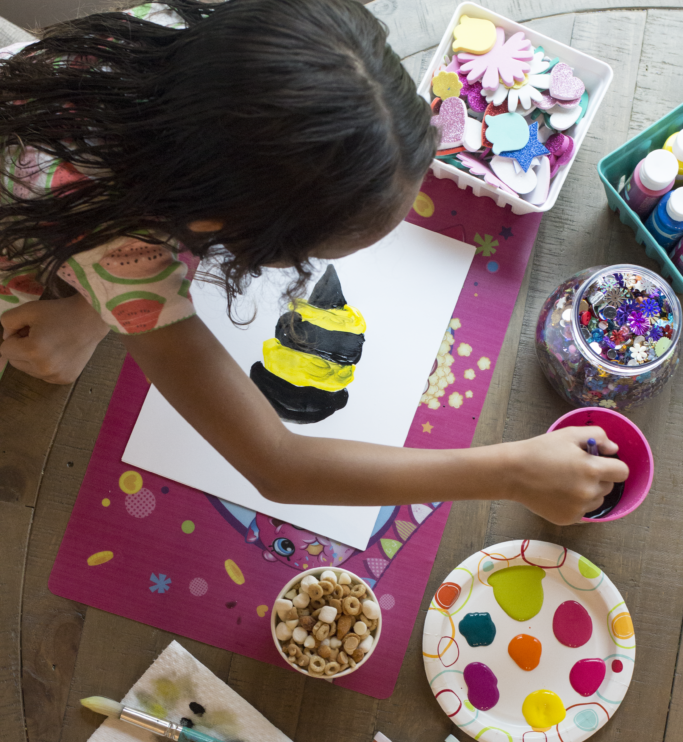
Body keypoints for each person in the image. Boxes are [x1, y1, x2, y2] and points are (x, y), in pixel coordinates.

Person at [0, 0, 627, 525]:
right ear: (215, 225)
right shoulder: (127, 251)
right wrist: (514, 472)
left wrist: (92, 302)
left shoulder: (194, 45)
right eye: (307, 252)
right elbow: (276, 464)